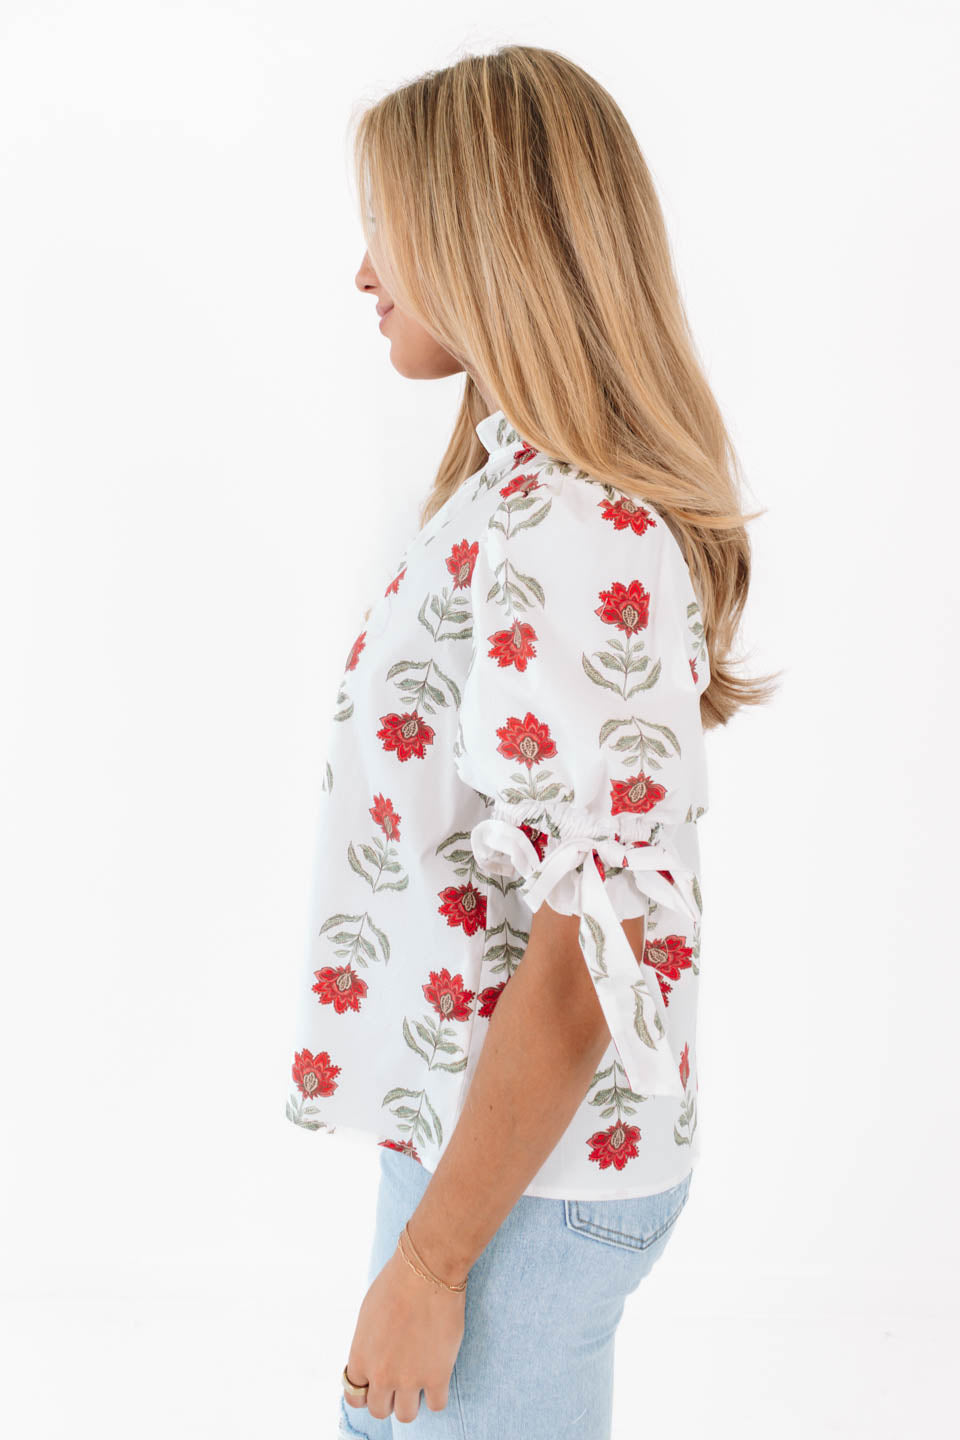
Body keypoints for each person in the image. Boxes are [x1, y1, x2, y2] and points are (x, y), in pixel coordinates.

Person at [285, 43, 780, 1440]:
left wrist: (433, 1265)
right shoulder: (523, 498)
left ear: (480, 242)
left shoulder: (569, 531)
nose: (363, 272)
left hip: (519, 1192)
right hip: (502, 1159)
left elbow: (588, 953)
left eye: (387, 229)